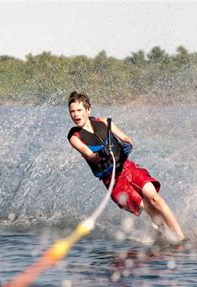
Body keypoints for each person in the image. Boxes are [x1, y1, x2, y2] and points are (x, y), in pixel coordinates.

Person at [67, 91, 185, 242]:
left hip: (128, 168)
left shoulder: (104, 122)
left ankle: (182, 238)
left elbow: (126, 138)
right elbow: (91, 156)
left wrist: (127, 145)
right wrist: (101, 154)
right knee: (147, 206)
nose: (75, 115)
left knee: (154, 198)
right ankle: (166, 234)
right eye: (72, 111)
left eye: (79, 110)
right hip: (113, 181)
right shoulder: (74, 137)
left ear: (88, 109)